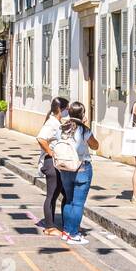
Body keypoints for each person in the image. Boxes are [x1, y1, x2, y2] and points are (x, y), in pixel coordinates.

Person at [56, 102, 100, 245]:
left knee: (68, 200)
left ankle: (66, 232)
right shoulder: (84, 130)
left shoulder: (62, 128)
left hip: (65, 168)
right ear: (82, 114)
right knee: (78, 203)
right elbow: (95, 145)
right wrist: (85, 126)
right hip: (82, 167)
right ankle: (74, 234)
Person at [35, 97, 69, 237]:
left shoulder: (57, 122)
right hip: (51, 163)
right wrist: (51, 152)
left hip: (57, 163)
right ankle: (49, 227)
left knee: (63, 194)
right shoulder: (51, 123)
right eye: (67, 108)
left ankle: (62, 223)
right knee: (52, 195)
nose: (68, 111)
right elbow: (41, 138)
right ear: (60, 109)